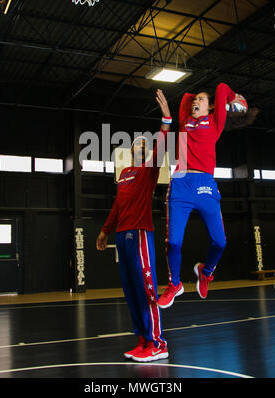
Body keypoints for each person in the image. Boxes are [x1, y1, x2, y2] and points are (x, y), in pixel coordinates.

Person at [158, 82, 258, 308]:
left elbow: (222, 87)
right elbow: (186, 97)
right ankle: (175, 284)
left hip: (205, 185)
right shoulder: (185, 121)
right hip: (181, 183)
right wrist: (199, 100)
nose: (195, 102)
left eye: (201, 100)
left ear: (211, 107)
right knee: (173, 241)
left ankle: (206, 271)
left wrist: (232, 98)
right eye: (196, 100)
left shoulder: (214, 122)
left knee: (220, 242)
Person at [96, 89, 171, 362]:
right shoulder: (125, 173)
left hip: (140, 233)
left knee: (146, 288)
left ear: (148, 152)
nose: (139, 146)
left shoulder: (148, 170)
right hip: (122, 234)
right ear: (130, 152)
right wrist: (105, 230)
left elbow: (161, 144)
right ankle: (143, 340)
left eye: (143, 144)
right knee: (130, 289)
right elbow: (117, 206)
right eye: (135, 145)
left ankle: (158, 343)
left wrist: (166, 119)